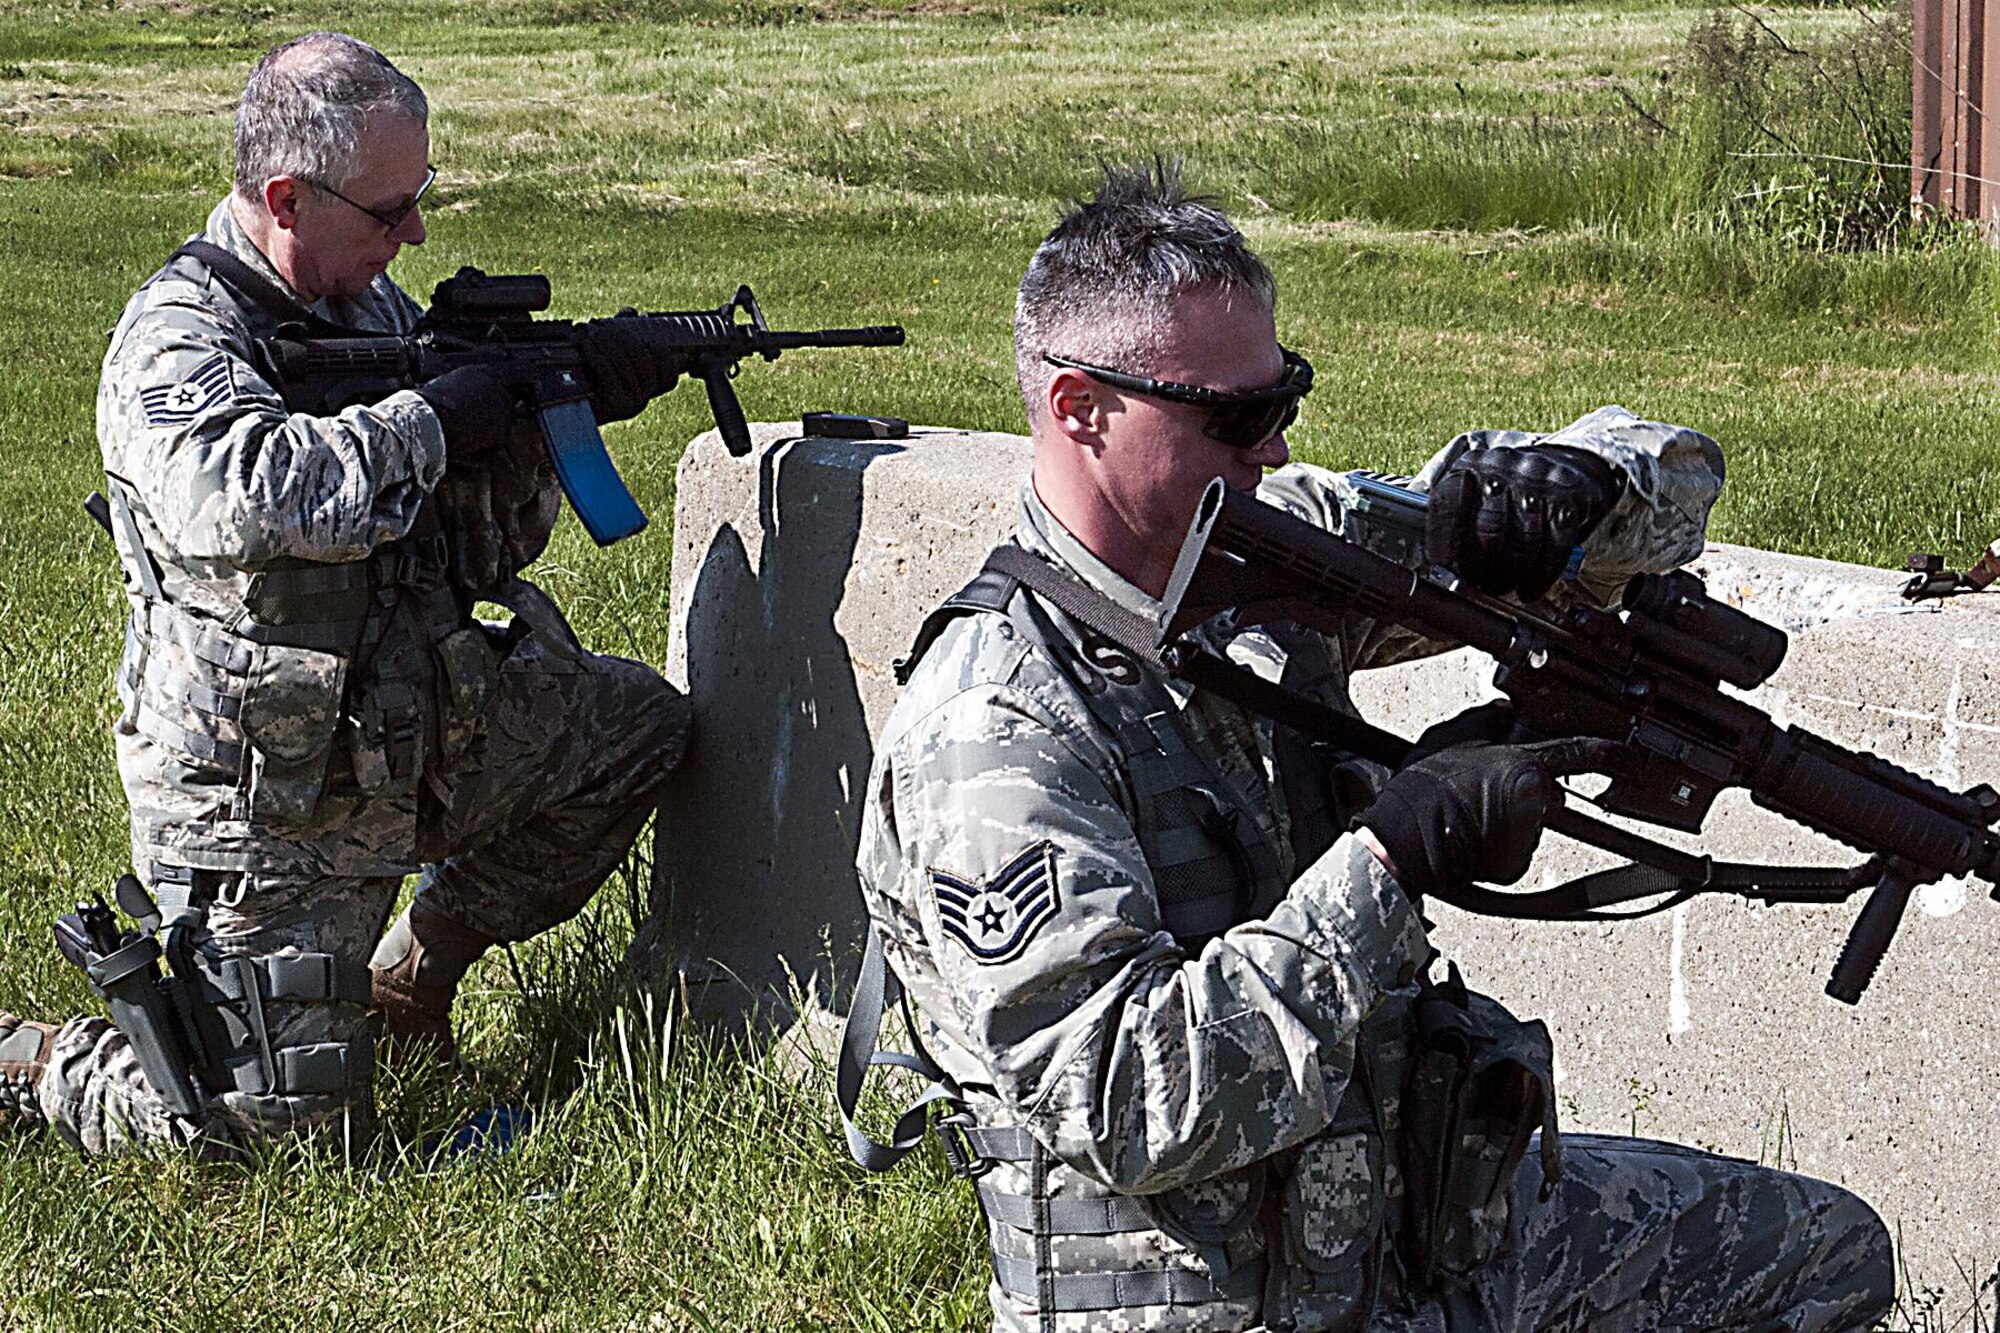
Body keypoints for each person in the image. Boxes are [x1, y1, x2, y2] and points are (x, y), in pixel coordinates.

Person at [850, 163, 1891, 1332]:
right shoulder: (996, 722)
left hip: (1396, 1228)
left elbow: (1633, 514)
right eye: (1232, 416)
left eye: (1282, 393)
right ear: (1081, 408)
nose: (1276, 445)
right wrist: (1387, 860)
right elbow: (1126, 1102)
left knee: (1821, 1249)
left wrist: (1589, 482)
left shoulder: (1268, 555)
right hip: (1202, 1299)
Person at [0, 32, 689, 1155]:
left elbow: (463, 553)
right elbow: (247, 499)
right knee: (262, 1136)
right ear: (285, 197)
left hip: (411, 734)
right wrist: (434, 422)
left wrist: (545, 416)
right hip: (265, 804)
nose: (411, 233)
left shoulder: (375, 318)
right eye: (386, 212)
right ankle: (36, 1063)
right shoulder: (176, 341)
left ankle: (405, 982)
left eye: (418, 199)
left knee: (635, 731)